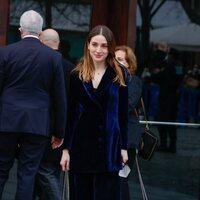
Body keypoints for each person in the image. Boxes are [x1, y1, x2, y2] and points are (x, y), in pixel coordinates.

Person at [0, 10, 67, 200]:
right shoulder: (53, 58)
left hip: (6, 121)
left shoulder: (5, 53)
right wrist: (59, 132)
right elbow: (59, 98)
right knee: (28, 174)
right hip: (37, 124)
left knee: (1, 170)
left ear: (20, 29)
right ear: (40, 32)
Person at [60, 25, 128, 200]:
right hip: (81, 145)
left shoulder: (120, 74)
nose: (98, 50)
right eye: (95, 44)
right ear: (88, 45)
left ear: (110, 47)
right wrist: (66, 148)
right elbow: (71, 114)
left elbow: (122, 114)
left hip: (109, 146)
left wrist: (123, 147)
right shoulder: (76, 75)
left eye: (104, 46)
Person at [33, 28, 74, 200]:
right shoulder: (72, 69)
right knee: (48, 173)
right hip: (62, 131)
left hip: (41, 129)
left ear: (41, 42)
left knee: (43, 173)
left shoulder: (40, 64)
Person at [115, 45, 143, 200]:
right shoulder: (110, 80)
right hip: (111, 139)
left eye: (120, 59)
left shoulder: (134, 81)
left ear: (129, 64)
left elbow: (128, 104)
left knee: (120, 180)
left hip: (127, 140)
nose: (116, 63)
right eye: (114, 59)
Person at [150, 45, 178, 153]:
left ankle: (164, 145)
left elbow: (157, 77)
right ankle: (172, 145)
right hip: (173, 99)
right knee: (172, 123)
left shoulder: (168, 67)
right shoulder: (177, 67)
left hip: (166, 99)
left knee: (163, 122)